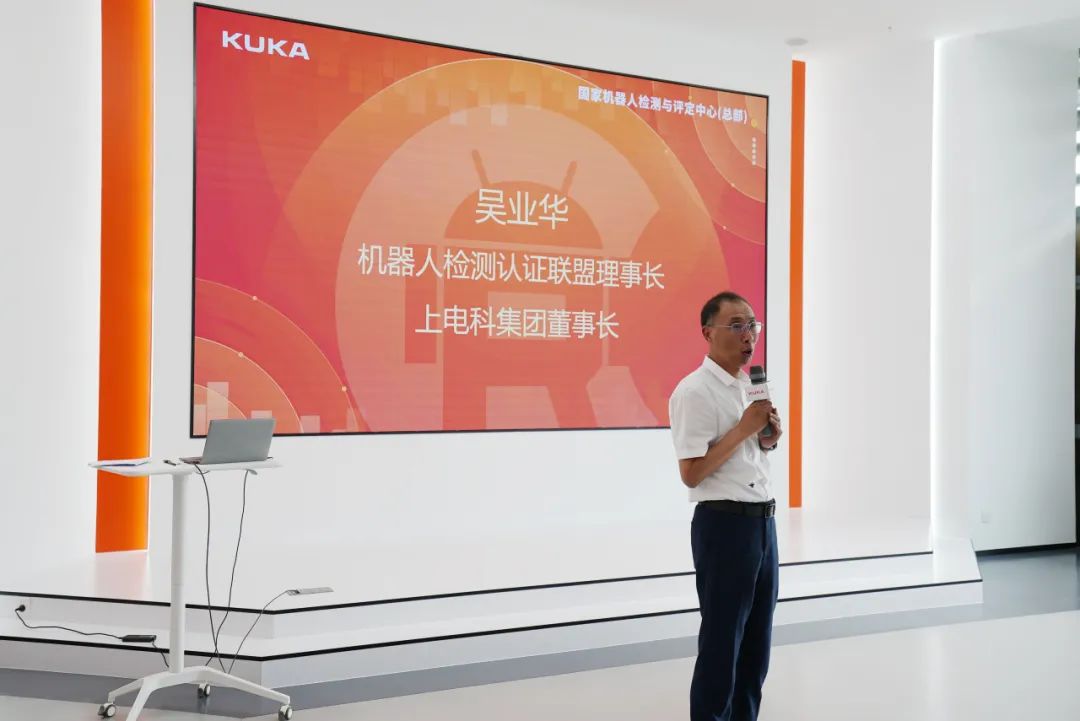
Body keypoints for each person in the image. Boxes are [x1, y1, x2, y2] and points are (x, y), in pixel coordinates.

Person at [668, 290, 782, 721]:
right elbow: (692, 472)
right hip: (724, 526)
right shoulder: (694, 392)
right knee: (722, 645)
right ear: (708, 333)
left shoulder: (749, 385)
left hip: (762, 525)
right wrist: (743, 429)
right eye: (736, 325)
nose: (748, 334)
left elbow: (747, 455)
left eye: (752, 325)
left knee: (756, 646)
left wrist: (766, 438)